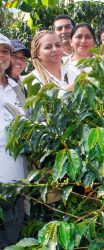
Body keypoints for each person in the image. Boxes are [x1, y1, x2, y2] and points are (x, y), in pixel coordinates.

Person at [0, 33, 26, 248]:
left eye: (5, 51)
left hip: (15, 180)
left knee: (11, 235)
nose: (1, 56)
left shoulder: (17, 87)